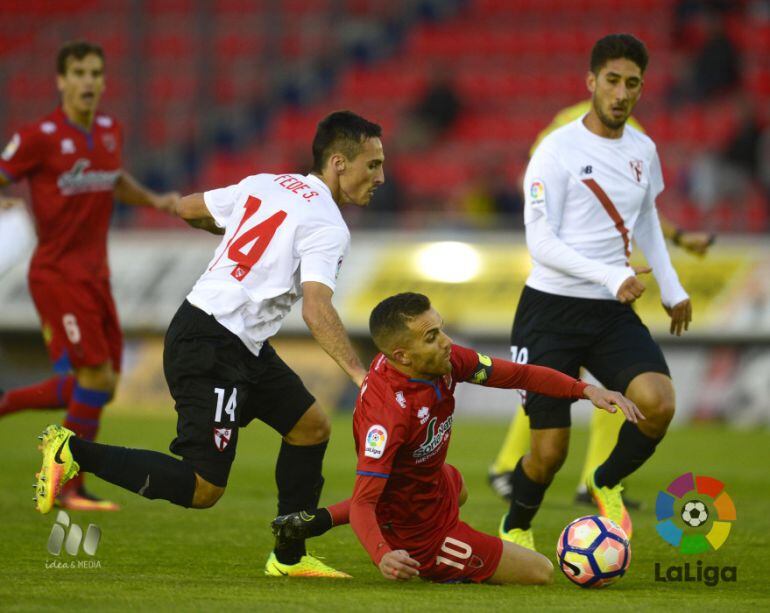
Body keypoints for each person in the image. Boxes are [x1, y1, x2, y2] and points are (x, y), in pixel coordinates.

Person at [33, 110, 383, 579]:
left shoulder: (267, 183)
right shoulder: (328, 226)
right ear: (339, 162)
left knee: (311, 427)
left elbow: (186, 208)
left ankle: (288, 558)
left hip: (235, 339)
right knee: (203, 488)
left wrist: (235, 230)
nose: (381, 176)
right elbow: (317, 310)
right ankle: (72, 451)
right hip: (212, 342)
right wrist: (362, 377)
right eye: (373, 164)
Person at [269, 292, 642, 583]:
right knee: (541, 571)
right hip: (420, 535)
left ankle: (319, 519)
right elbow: (366, 503)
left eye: (441, 328)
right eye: (432, 336)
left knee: (454, 482)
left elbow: (520, 375)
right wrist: (384, 554)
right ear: (403, 355)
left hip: (431, 484)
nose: (446, 341)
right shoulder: (387, 416)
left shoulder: (443, 361)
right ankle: (439, 560)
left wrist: (584, 390)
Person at [492, 33, 692, 551]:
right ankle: (516, 525)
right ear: (591, 83)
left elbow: (646, 218)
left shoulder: (643, 150)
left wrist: (672, 288)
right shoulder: (556, 150)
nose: (622, 93)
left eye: (633, 84)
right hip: (549, 312)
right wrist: (609, 275)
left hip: (607, 312)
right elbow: (540, 242)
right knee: (549, 452)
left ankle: (605, 481)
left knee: (658, 402)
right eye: (612, 81)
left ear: (641, 89)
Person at [0, 41, 180, 511]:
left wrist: (155, 200)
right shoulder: (38, 135)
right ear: (61, 80)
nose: (88, 81)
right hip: (57, 275)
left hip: (96, 276)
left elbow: (114, 178)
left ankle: (26, 429)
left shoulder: (107, 130)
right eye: (78, 72)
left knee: (102, 382)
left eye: (96, 73)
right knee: (94, 376)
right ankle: (66, 484)